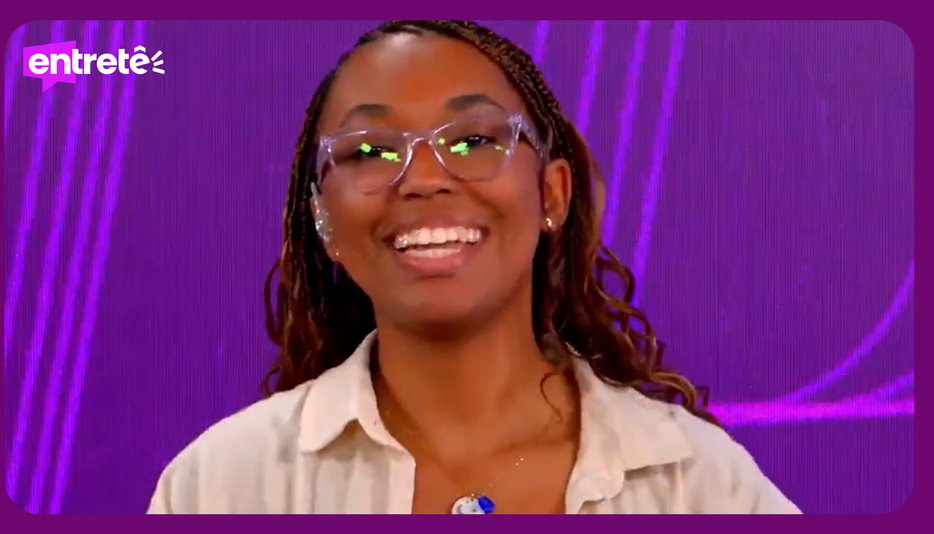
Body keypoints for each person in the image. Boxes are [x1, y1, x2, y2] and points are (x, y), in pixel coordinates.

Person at [147, 20, 801, 515]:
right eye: (371, 151)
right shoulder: (221, 486)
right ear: (323, 221)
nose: (423, 178)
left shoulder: (700, 487)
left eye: (474, 141)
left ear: (552, 194)